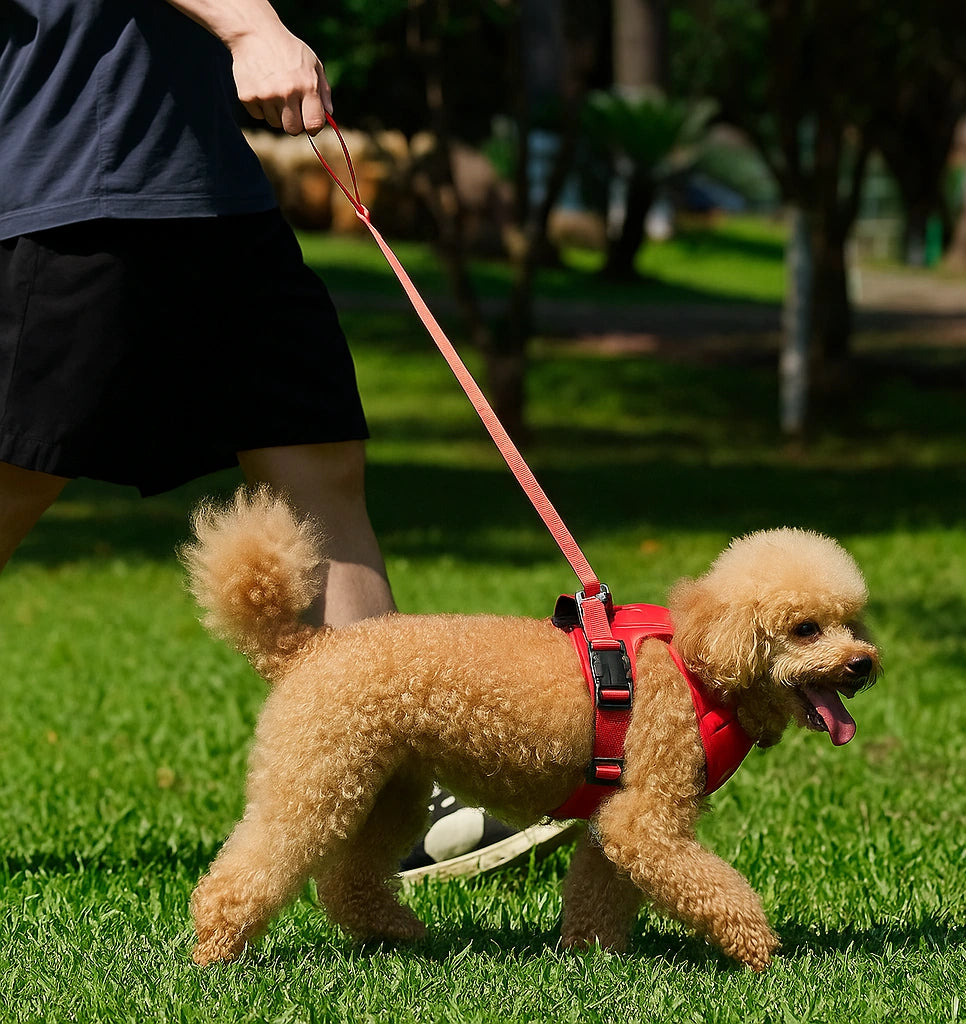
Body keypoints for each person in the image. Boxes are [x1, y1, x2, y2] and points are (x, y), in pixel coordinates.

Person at [0, 0, 569, 877]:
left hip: (211, 185)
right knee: (13, 481)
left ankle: (387, 798)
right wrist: (248, 26)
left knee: (316, 457)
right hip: (80, 174)